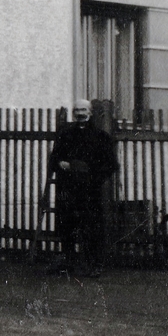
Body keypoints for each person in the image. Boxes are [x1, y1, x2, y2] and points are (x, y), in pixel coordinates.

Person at [46, 101, 117, 277]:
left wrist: (92, 174)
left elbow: (111, 165)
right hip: (68, 189)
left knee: (92, 227)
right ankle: (69, 263)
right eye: (77, 110)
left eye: (84, 110)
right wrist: (60, 163)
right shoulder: (65, 135)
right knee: (66, 226)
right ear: (73, 113)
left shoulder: (101, 137)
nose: (80, 113)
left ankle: (95, 265)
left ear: (90, 113)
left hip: (90, 190)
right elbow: (53, 160)